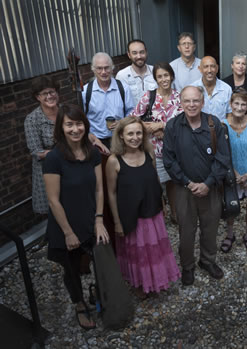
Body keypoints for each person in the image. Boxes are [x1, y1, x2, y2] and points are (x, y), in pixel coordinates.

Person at [43, 104, 110, 330]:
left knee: (99, 261)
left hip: (90, 219)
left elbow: (99, 189)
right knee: (71, 270)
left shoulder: (91, 153)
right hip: (66, 224)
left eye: (79, 123)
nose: (75, 129)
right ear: (61, 127)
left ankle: (99, 293)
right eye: (69, 124)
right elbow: (53, 200)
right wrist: (68, 232)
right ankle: (79, 304)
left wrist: (99, 220)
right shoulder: (53, 158)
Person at [106, 117, 181, 298]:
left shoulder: (149, 154)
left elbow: (154, 181)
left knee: (153, 250)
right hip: (131, 216)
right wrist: (116, 222)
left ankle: (155, 279)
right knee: (137, 253)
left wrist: (162, 204)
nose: (135, 137)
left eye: (138, 132)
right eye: (130, 133)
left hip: (152, 212)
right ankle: (139, 283)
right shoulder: (114, 161)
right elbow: (111, 193)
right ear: (121, 136)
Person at [163, 86, 229, 286]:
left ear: (202, 102)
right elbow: (169, 160)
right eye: (187, 101)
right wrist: (188, 182)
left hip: (211, 189)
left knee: (210, 228)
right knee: (186, 231)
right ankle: (188, 266)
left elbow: (223, 158)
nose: (191, 105)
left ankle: (207, 261)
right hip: (185, 190)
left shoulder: (213, 124)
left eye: (195, 101)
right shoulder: (173, 126)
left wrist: (208, 183)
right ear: (181, 103)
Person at [130, 62, 183, 223]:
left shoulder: (180, 97)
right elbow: (134, 119)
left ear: (172, 76)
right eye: (159, 76)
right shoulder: (149, 96)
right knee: (156, 184)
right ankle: (160, 215)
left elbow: (183, 123)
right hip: (154, 150)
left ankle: (175, 213)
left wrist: (162, 126)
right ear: (155, 79)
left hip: (175, 150)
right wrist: (151, 128)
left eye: (166, 75)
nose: (163, 79)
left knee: (173, 183)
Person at [219, 89, 247, 255]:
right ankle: (230, 235)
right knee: (231, 206)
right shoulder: (223, 125)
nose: (239, 107)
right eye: (236, 103)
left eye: (243, 104)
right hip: (233, 174)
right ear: (231, 105)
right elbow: (223, 154)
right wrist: (236, 174)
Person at [82, 52, 135, 148]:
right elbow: (82, 118)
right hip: (96, 141)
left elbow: (131, 113)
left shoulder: (123, 88)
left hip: (120, 139)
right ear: (93, 69)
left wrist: (122, 123)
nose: (103, 72)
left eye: (106, 67)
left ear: (112, 68)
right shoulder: (85, 92)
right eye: (99, 68)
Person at [24, 76, 60, 214]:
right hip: (48, 170)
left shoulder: (65, 111)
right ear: (37, 97)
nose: (50, 96)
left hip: (70, 166)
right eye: (44, 93)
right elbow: (35, 151)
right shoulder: (32, 119)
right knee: (54, 210)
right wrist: (62, 152)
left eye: (52, 92)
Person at [116, 39, 157, 106]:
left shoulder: (155, 71)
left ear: (146, 52)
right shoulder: (122, 76)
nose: (139, 56)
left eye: (142, 52)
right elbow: (119, 102)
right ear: (129, 55)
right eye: (134, 53)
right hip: (132, 116)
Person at [190, 56, 232, 121]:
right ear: (200, 69)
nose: (209, 70)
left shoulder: (226, 89)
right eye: (206, 67)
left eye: (212, 66)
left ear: (217, 68)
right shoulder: (192, 88)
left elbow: (230, 114)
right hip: (198, 130)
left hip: (220, 129)